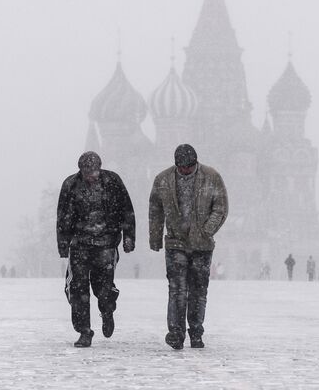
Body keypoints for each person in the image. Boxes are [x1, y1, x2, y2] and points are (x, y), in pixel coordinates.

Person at [149, 144, 228, 350]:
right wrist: (155, 238)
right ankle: (176, 332)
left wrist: (206, 231)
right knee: (176, 289)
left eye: (189, 167)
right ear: (176, 165)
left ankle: (196, 331)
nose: (185, 171)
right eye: (181, 168)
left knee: (198, 291)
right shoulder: (164, 180)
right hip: (176, 242)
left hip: (202, 245)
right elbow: (155, 210)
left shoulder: (211, 177)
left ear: (195, 163)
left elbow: (220, 208)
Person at [57, 151, 136, 348]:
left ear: (99, 169)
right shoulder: (70, 185)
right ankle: (84, 331)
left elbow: (126, 210)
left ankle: (107, 309)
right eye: (86, 172)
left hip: (106, 243)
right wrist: (63, 243)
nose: (90, 176)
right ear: (80, 170)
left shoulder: (112, 181)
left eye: (93, 172)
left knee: (104, 288)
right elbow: (63, 215)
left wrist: (128, 236)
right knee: (77, 289)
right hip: (80, 244)